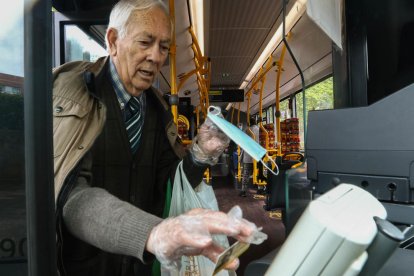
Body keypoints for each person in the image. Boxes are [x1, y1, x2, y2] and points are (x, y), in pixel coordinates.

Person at [52, 0, 265, 275]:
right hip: (85, 266)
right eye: (145, 42)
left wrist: (200, 155)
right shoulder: (72, 95)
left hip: (141, 265)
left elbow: (169, 182)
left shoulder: (157, 108)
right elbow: (70, 197)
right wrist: (153, 232)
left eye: (164, 47)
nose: (156, 56)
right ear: (113, 40)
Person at [239, 117, 260, 197]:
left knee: (246, 174)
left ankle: (243, 191)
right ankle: (260, 188)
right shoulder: (259, 130)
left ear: (249, 123)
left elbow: (243, 141)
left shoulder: (247, 130)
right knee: (258, 172)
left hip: (248, 155)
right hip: (257, 155)